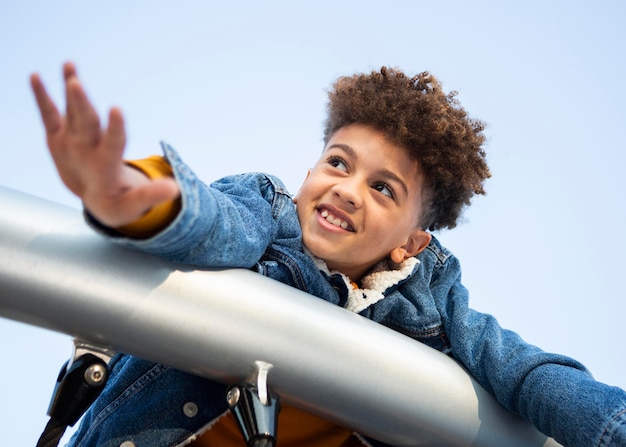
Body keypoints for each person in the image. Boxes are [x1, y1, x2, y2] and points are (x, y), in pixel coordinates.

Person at [30, 62, 626, 447]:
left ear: (411, 243)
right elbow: (212, 222)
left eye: (382, 188)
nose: (347, 187)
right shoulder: (269, 216)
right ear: (309, 171)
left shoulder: (432, 304)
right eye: (339, 163)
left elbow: (525, 372)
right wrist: (131, 195)